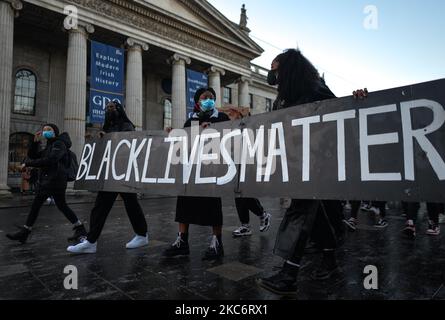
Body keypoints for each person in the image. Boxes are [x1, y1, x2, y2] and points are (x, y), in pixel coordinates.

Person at [257, 49, 345, 297]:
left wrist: (361, 98)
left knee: (300, 212)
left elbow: (342, 110)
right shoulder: (282, 98)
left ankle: (289, 274)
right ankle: (329, 260)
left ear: (289, 69)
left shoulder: (314, 89)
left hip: (317, 162)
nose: (272, 75)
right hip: (295, 162)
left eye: (275, 70)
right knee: (316, 214)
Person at [67, 101, 149, 254]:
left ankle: (142, 235)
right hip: (110, 174)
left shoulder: (126, 125)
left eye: (112, 107)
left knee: (132, 206)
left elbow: (127, 145)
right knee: (100, 207)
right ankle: (91, 241)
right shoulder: (106, 127)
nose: (109, 110)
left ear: (119, 110)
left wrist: (109, 138)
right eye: (107, 108)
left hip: (123, 174)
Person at [163, 87, 230, 260]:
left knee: (213, 205)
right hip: (192, 169)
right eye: (204, 97)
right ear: (197, 101)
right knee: (184, 201)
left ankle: (217, 242)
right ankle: (182, 241)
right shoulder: (190, 121)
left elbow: (231, 139)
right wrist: (173, 135)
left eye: (211, 97)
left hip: (212, 169)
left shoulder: (222, 118)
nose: (208, 99)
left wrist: (212, 130)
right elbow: (184, 143)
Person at [6, 124, 86, 244]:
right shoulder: (50, 145)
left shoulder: (59, 144)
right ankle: (79, 227)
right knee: (58, 206)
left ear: (55, 132)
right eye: (44, 130)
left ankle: (25, 231)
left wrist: (28, 164)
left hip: (55, 180)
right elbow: (33, 155)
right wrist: (35, 143)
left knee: (42, 205)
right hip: (50, 180)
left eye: (49, 130)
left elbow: (51, 160)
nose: (46, 132)